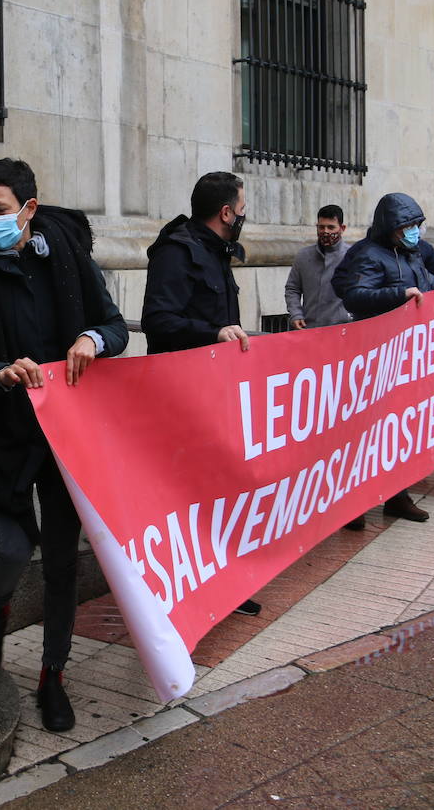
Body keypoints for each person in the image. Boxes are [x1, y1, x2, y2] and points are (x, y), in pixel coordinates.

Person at [0, 158, 128, 732]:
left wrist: (91, 338)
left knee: (59, 560)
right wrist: (1, 372)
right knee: (11, 545)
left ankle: (53, 674)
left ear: (28, 208)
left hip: (66, 438)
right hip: (6, 431)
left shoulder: (70, 262)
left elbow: (116, 325)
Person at [141, 171, 261, 618]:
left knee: (220, 493)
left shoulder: (216, 252)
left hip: (216, 396)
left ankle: (225, 585)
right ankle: (182, 594)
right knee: (186, 499)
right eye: (243, 208)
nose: (245, 216)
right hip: (180, 399)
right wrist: (213, 333)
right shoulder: (178, 252)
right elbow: (158, 321)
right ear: (227, 212)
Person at [331, 192, 434, 529]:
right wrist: (398, 295)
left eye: (416, 225)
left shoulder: (409, 253)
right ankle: (353, 504)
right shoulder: (368, 254)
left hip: (407, 356)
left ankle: (397, 495)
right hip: (375, 355)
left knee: (400, 427)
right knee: (365, 432)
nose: (414, 231)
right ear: (390, 227)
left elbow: (424, 282)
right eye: (407, 226)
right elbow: (355, 295)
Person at [284, 204, 352, 331]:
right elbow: (292, 289)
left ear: (342, 228)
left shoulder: (352, 256)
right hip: (309, 330)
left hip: (342, 332)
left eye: (331, 227)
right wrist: (296, 314)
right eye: (321, 227)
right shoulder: (303, 256)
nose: (326, 232)